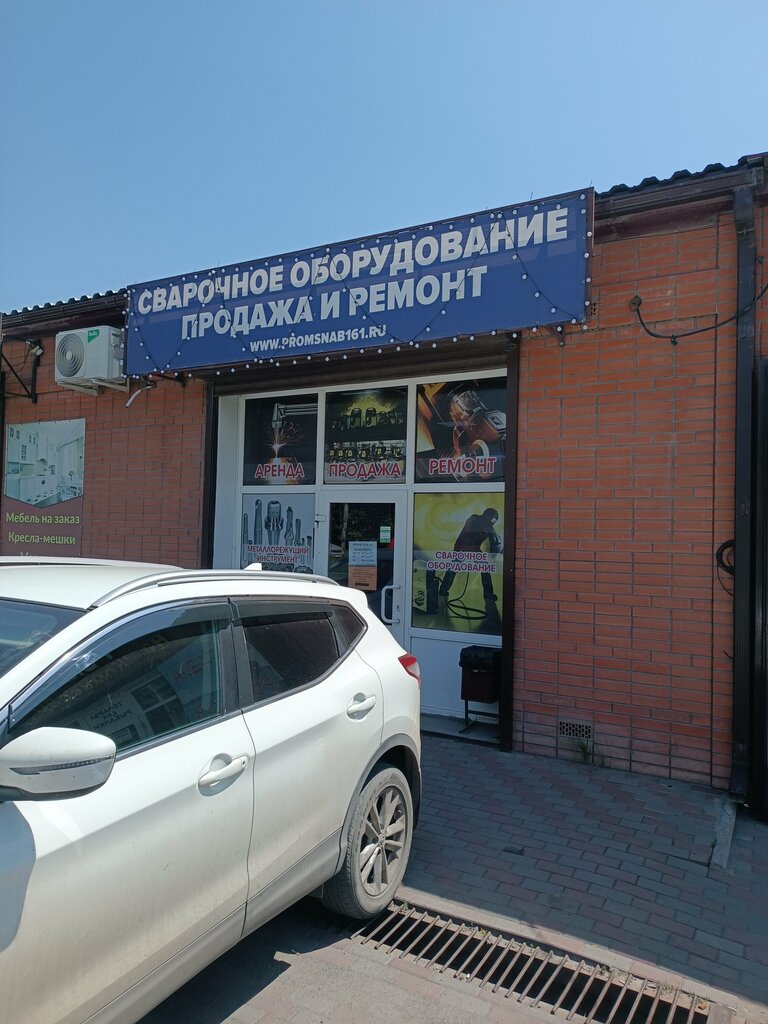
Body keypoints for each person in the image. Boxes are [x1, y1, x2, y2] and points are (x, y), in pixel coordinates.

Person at [439, 507, 502, 619]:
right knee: (454, 567)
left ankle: (488, 594)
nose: (492, 522)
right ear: (487, 516)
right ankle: (443, 590)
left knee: (485, 568)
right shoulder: (474, 518)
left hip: (474, 548)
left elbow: (495, 543)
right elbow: (469, 531)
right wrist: (469, 552)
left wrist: (498, 548)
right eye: (492, 519)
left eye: (493, 521)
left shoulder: (489, 528)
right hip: (462, 546)